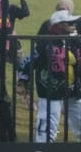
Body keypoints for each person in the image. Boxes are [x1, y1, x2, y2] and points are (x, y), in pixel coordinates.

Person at [30, 9, 81, 143]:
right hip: (50, 91)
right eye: (69, 23)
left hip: (73, 91)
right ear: (59, 26)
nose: (74, 25)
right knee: (47, 129)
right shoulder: (45, 43)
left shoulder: (75, 42)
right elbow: (29, 61)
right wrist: (23, 80)